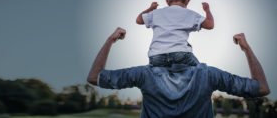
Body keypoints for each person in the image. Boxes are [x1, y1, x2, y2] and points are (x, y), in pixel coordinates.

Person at [87, 27, 270, 118]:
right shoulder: (208, 75)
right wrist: (246, 48)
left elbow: (95, 77)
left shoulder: (144, 74)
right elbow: (261, 88)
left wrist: (111, 40)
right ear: (188, 50)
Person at [136, 0, 214, 67]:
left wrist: (151, 8)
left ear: (167, 1)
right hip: (180, 55)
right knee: (200, 70)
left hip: (156, 57)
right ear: (188, 1)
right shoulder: (190, 14)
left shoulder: (156, 13)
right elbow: (210, 25)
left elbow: (139, 20)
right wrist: (207, 10)